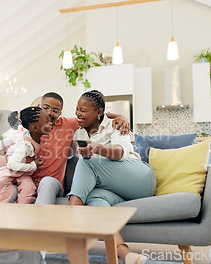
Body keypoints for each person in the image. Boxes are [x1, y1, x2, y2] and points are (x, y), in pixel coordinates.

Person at [0, 92, 131, 205]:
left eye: (55, 110)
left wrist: (120, 116)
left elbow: (93, 116)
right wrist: (15, 160)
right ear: (39, 108)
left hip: (51, 183)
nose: (50, 113)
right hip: (23, 180)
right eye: (45, 108)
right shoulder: (24, 130)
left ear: (60, 113)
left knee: (47, 182)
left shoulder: (68, 124)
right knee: (8, 192)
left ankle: (42, 235)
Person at [68, 90, 156, 264]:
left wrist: (97, 148)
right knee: (94, 199)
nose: (78, 113)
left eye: (83, 110)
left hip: (140, 178)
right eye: (77, 109)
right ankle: (126, 254)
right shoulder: (78, 133)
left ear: (99, 112)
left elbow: (121, 152)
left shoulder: (115, 124)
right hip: (114, 189)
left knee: (87, 162)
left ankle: (71, 225)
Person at [0, 106, 52, 204]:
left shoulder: (27, 134)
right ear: (35, 128)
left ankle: (20, 210)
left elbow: (8, 140)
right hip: (9, 171)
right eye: (47, 122)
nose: (51, 123)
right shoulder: (24, 145)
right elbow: (12, 164)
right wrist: (34, 164)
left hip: (22, 173)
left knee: (29, 190)